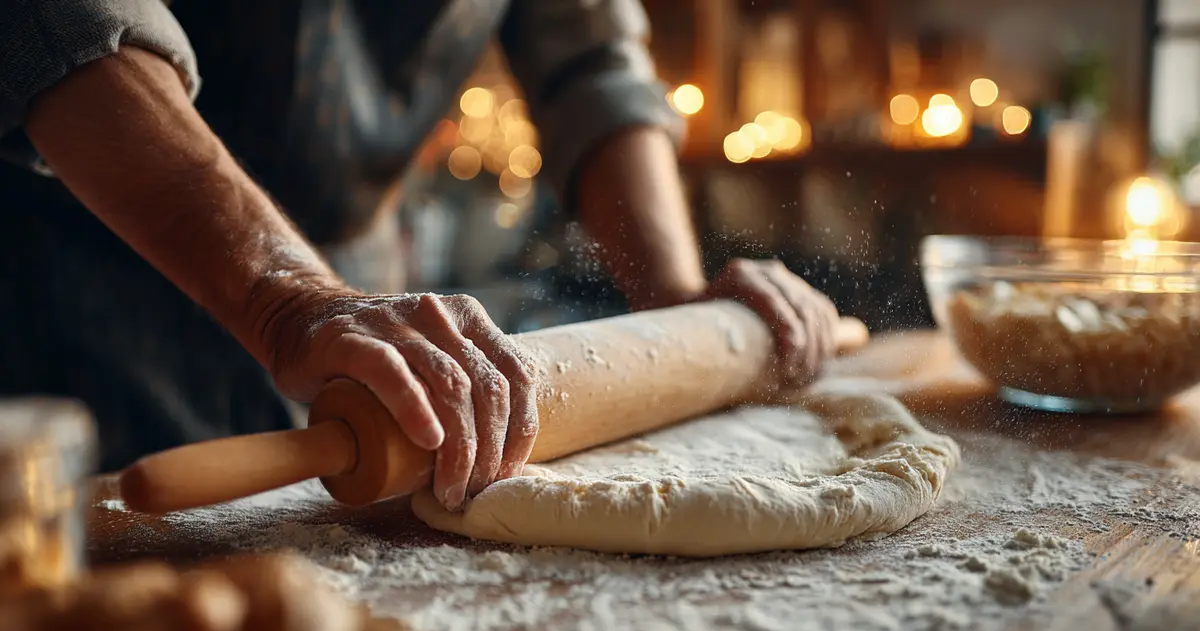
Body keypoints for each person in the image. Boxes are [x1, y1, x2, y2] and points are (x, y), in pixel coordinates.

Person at [0, 1, 840, 511]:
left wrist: (678, 316)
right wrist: (288, 303)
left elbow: (589, 59)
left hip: (354, 322)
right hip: (74, 285)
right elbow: (58, 16)